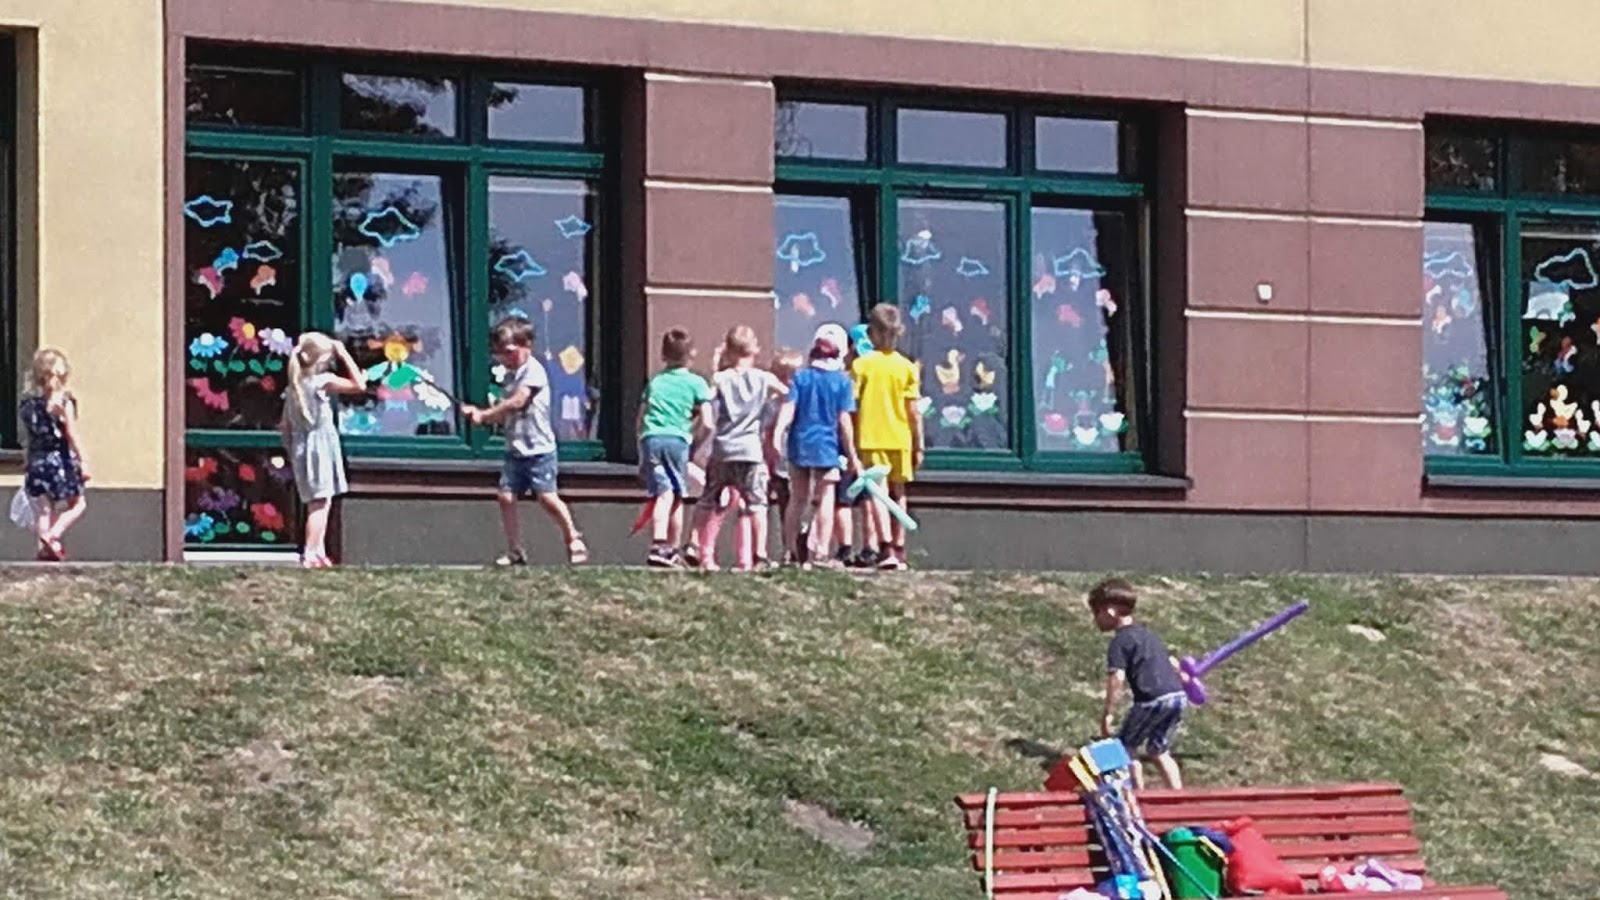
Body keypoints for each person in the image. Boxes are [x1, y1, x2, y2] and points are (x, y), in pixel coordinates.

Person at [462, 317, 589, 566]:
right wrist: (478, 414)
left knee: (546, 497)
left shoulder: (534, 371)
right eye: (500, 353)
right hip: (516, 449)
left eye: (509, 351)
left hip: (540, 450)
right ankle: (515, 550)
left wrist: (484, 415)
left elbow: (518, 402)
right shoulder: (510, 377)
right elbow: (504, 412)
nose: (505, 358)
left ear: (527, 345)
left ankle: (573, 537)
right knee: (506, 497)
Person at [689, 325, 785, 570]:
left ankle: (696, 546)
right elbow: (787, 393)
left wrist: (715, 367)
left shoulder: (722, 379)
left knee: (708, 499)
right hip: (750, 450)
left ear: (728, 351)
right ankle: (760, 554)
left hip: (723, 448)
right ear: (755, 349)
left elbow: (707, 397)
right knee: (757, 503)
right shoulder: (764, 378)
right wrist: (772, 403)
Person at [771, 323, 860, 568]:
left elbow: (789, 407)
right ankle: (819, 552)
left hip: (799, 444)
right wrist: (852, 455)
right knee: (825, 499)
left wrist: (778, 433)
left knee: (797, 499)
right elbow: (844, 422)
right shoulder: (842, 382)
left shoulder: (801, 377)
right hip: (827, 447)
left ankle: (789, 551)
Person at [1087, 577, 1186, 790]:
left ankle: (1139, 795)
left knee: (1126, 748)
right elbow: (1171, 662)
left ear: (1111, 611)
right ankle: (1179, 797)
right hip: (1177, 696)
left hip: (1152, 699)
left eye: (1097, 613)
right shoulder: (1148, 634)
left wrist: (1108, 714)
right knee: (1159, 751)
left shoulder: (1120, 641)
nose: (1095, 620)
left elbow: (1117, 678)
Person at [279, 333, 368, 568]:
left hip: (302, 447)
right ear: (321, 359)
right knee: (320, 502)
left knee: (317, 499)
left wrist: (291, 450)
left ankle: (319, 550)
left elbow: (284, 426)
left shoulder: (294, 387)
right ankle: (310, 552)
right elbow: (359, 385)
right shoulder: (322, 381)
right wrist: (344, 353)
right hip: (320, 447)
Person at [851, 303, 923, 570]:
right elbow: (913, 411)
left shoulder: (861, 365)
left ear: (871, 332)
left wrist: (850, 440)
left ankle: (886, 546)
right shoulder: (906, 367)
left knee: (878, 493)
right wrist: (919, 444)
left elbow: (852, 405)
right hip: (900, 437)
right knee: (898, 491)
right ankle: (900, 544)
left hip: (871, 437)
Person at [637, 327, 714, 568]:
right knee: (675, 495)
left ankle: (659, 546)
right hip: (677, 439)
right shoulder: (696, 383)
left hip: (652, 438)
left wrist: (641, 446)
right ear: (691, 354)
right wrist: (695, 443)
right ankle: (668, 546)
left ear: (663, 354)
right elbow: (709, 423)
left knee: (661, 492)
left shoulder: (656, 382)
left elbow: (641, 416)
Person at [19, 348, 88, 561]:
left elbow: (28, 438)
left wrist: (27, 462)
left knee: (44, 510)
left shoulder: (28, 406)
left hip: (36, 462)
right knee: (78, 504)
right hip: (59, 461)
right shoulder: (63, 403)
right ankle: (53, 535)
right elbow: (71, 433)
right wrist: (83, 461)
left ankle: (44, 550)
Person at [762, 348, 805, 564]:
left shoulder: (799, 403)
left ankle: (795, 548)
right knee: (768, 506)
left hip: (794, 462)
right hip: (773, 463)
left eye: (792, 376)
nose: (787, 382)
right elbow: (764, 430)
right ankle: (767, 550)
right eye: (782, 376)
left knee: (794, 508)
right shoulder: (770, 404)